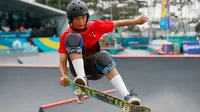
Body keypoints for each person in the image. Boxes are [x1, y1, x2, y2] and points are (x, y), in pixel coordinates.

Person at [58, 0, 148, 105]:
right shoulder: (66, 35)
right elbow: (62, 62)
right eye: (77, 19)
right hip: (77, 71)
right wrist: (64, 76)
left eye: (83, 18)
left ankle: (127, 96)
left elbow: (117, 23)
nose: (81, 22)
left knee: (104, 55)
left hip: (95, 69)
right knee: (73, 37)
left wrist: (136, 21)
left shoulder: (95, 26)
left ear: (87, 17)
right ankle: (82, 79)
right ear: (71, 20)